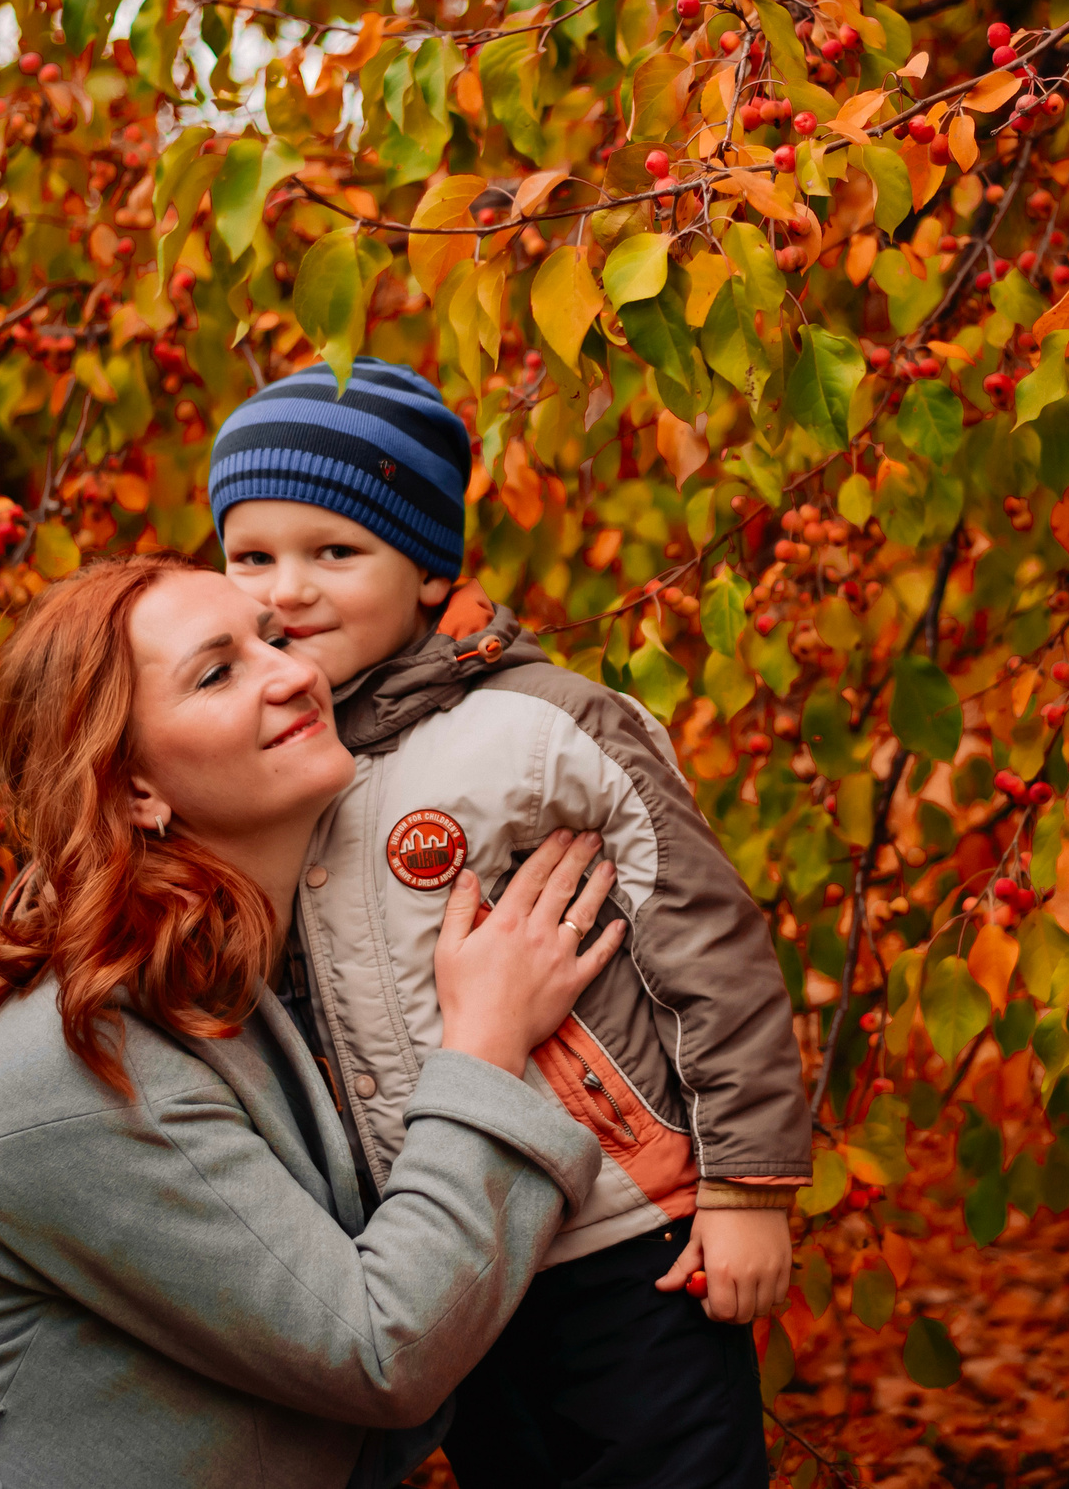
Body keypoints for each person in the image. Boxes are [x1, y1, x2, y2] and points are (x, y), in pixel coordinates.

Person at [0, 555, 628, 1488]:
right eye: (218, 671)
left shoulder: (235, 985)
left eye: (276, 637)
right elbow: (383, 1351)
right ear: (137, 789)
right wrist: (486, 1045)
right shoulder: (89, 1064)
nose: (294, 671)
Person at [210, 356, 811, 1488]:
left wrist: (746, 1189)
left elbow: (708, 938)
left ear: (431, 571)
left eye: (334, 552)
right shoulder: (272, 760)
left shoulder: (534, 726)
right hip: (450, 1256)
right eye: (252, 556)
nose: (285, 590)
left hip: (627, 1234)